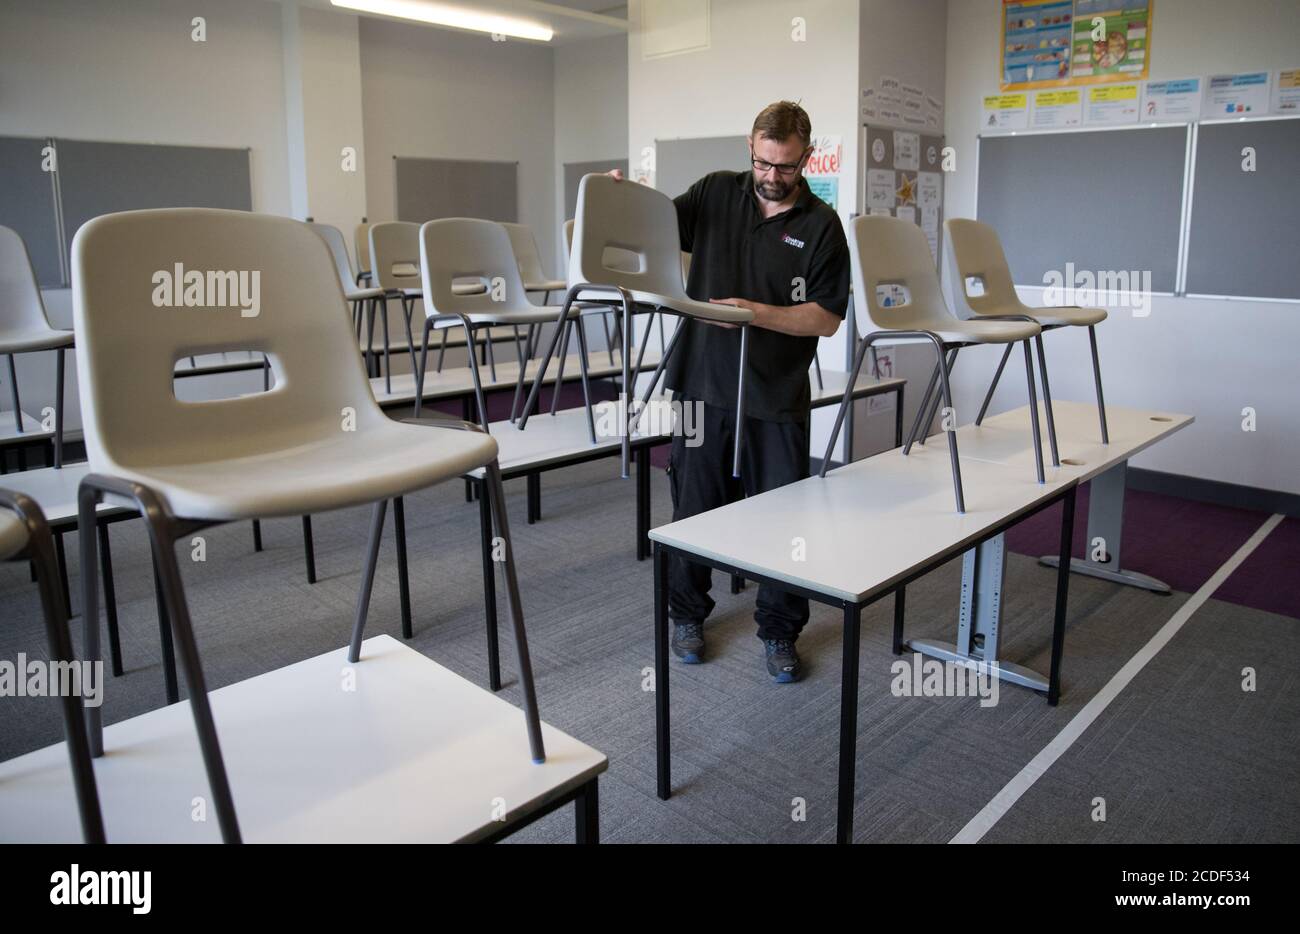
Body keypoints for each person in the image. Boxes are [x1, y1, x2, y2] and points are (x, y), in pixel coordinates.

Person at [609, 100, 850, 682]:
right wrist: (622, 200)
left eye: (787, 167)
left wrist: (757, 314)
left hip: (775, 395)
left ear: (806, 158)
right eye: (764, 163)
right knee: (692, 511)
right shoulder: (716, 192)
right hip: (701, 384)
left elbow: (825, 318)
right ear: (751, 147)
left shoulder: (821, 225)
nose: (773, 177)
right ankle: (687, 616)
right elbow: (653, 226)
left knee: (781, 522)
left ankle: (779, 631)